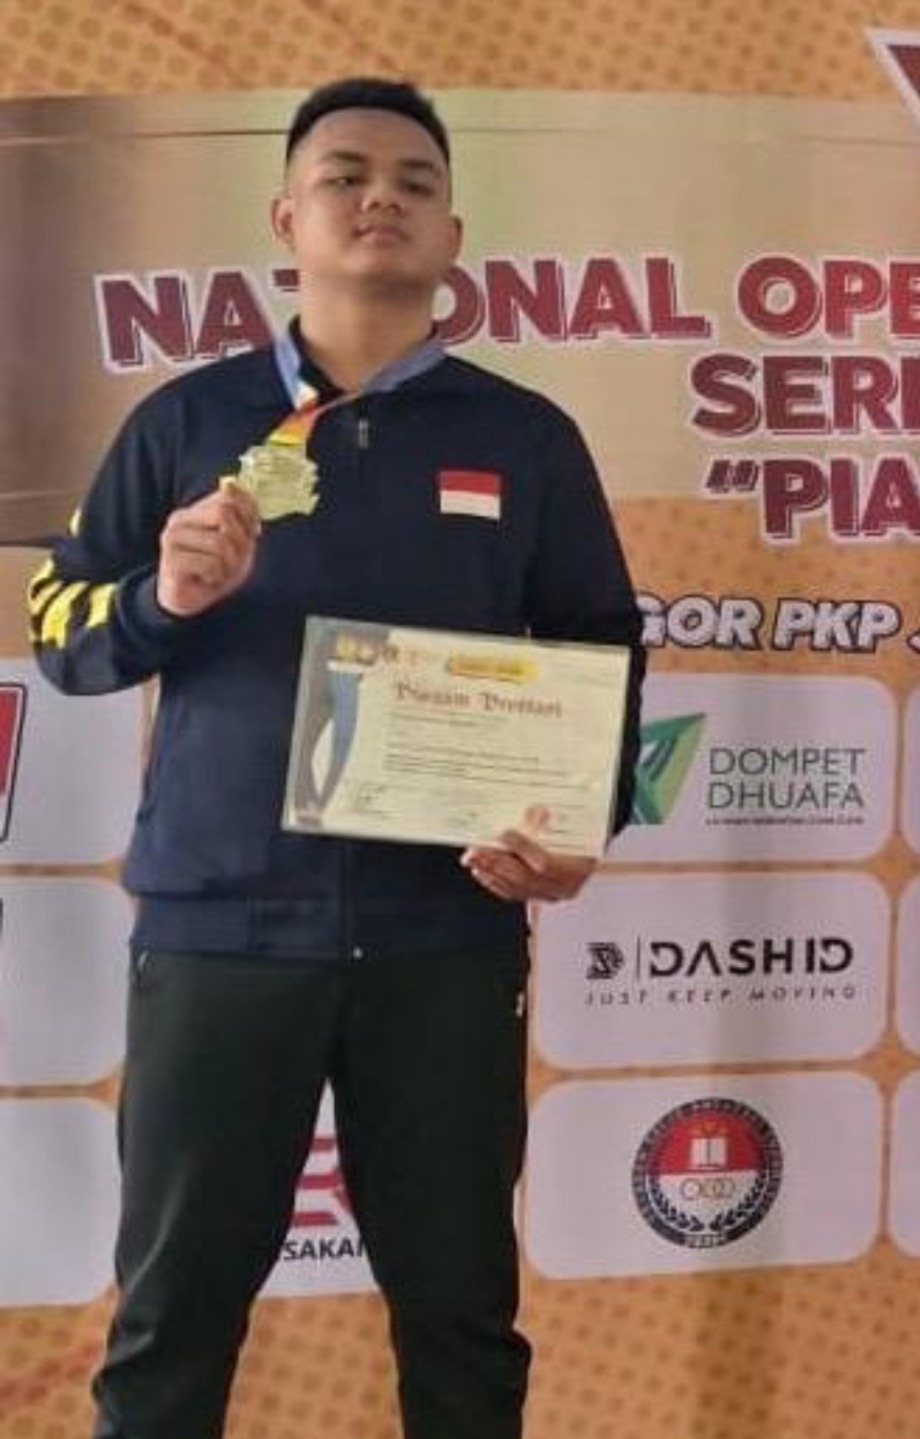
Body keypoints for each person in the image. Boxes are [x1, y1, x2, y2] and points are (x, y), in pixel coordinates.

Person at [26, 77, 644, 1439]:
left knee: (463, 1321)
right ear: (286, 217)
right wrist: (162, 597)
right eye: (346, 175)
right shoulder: (188, 422)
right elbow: (59, 626)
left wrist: (576, 822)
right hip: (220, 934)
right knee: (169, 1323)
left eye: (415, 183)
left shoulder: (524, 437)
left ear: (454, 234)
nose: (381, 199)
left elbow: (601, 642)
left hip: (447, 937)